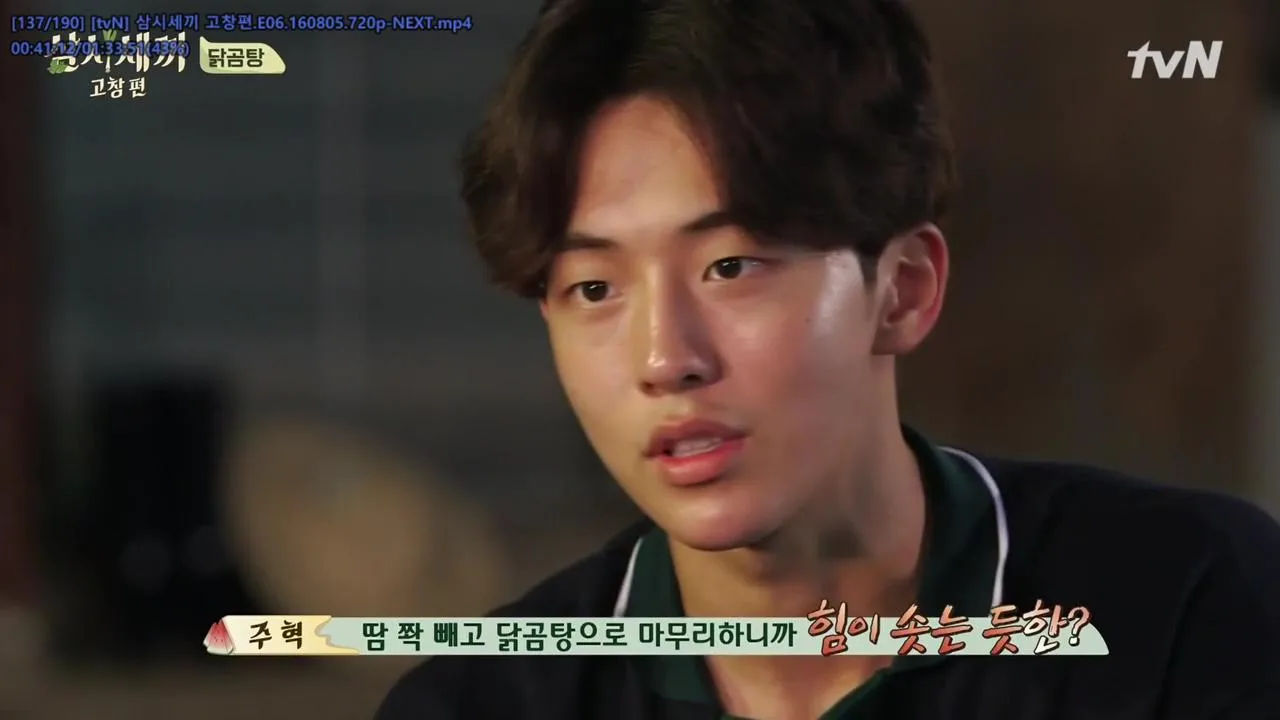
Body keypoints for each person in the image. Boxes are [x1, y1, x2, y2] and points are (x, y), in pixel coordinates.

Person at [376, 0, 1280, 718]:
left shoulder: (1190, 609)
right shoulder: (483, 701)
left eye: (731, 267)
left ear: (903, 289)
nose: (665, 358)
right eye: (594, 288)